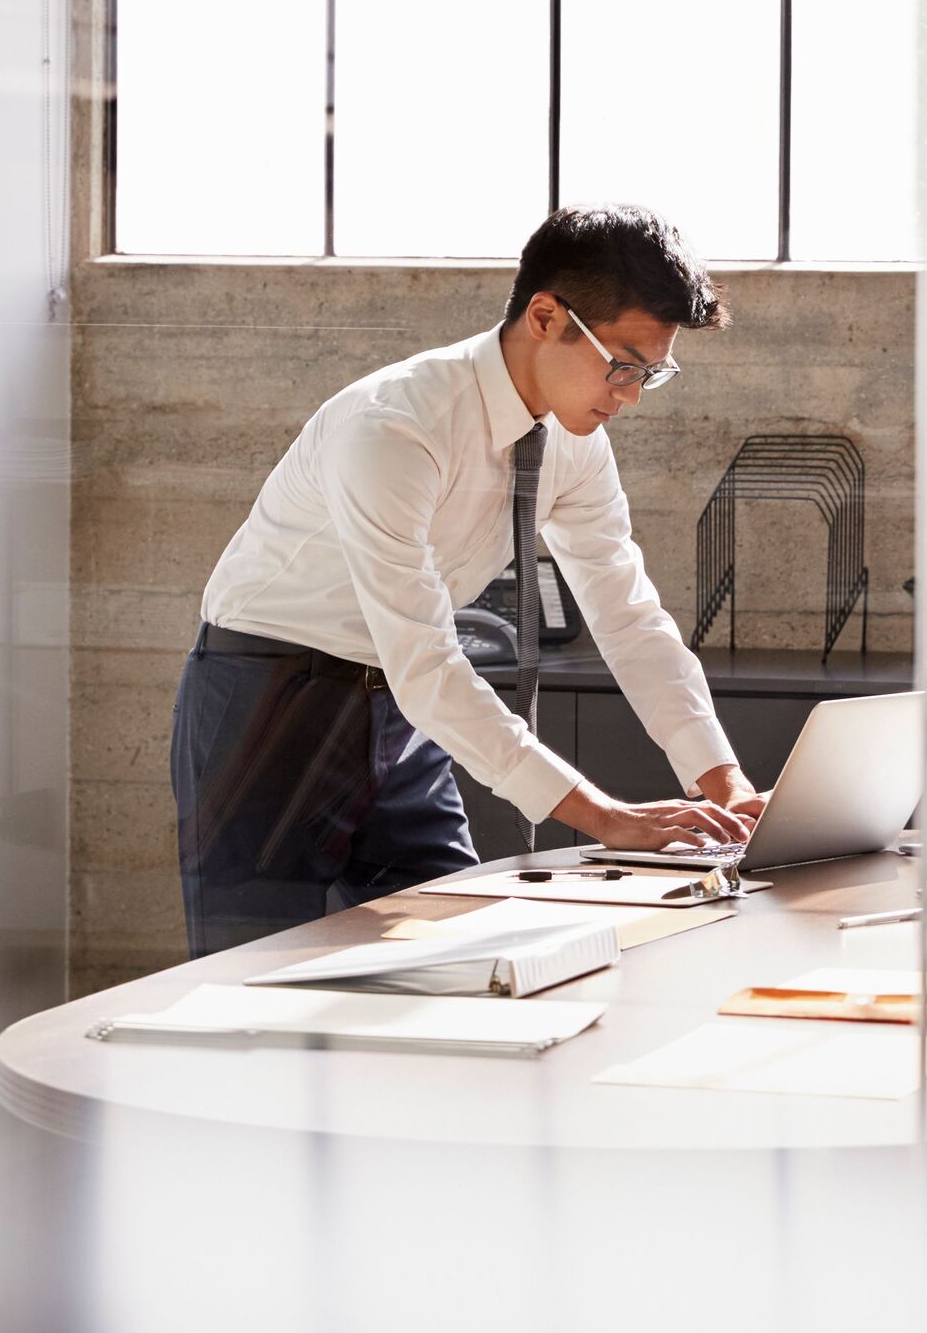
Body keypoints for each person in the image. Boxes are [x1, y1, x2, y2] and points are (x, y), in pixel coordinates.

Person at [172, 204, 765, 954]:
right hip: (271, 696)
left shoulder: (574, 442)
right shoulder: (394, 427)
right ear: (546, 316)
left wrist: (726, 790)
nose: (631, 395)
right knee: (249, 977)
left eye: (652, 372)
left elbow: (629, 617)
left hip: (399, 703)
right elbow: (427, 661)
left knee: (461, 954)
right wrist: (608, 817)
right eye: (622, 364)